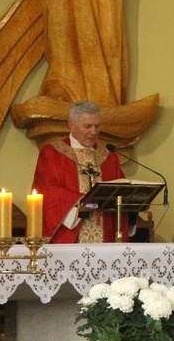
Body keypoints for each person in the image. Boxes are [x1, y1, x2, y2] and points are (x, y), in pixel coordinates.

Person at [32, 100, 129, 243]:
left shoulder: (108, 156)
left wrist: (136, 202)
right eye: (88, 126)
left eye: (97, 126)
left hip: (106, 239)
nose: (94, 132)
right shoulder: (53, 153)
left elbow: (121, 190)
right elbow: (47, 191)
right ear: (72, 125)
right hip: (68, 238)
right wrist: (84, 201)